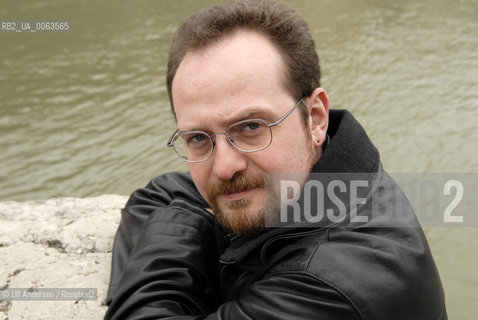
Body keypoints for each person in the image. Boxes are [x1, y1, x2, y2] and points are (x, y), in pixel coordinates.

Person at [104, 0, 447, 319]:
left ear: (315, 118)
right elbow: (161, 194)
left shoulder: (332, 285)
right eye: (197, 138)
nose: (225, 167)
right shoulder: (327, 179)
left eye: (251, 127)